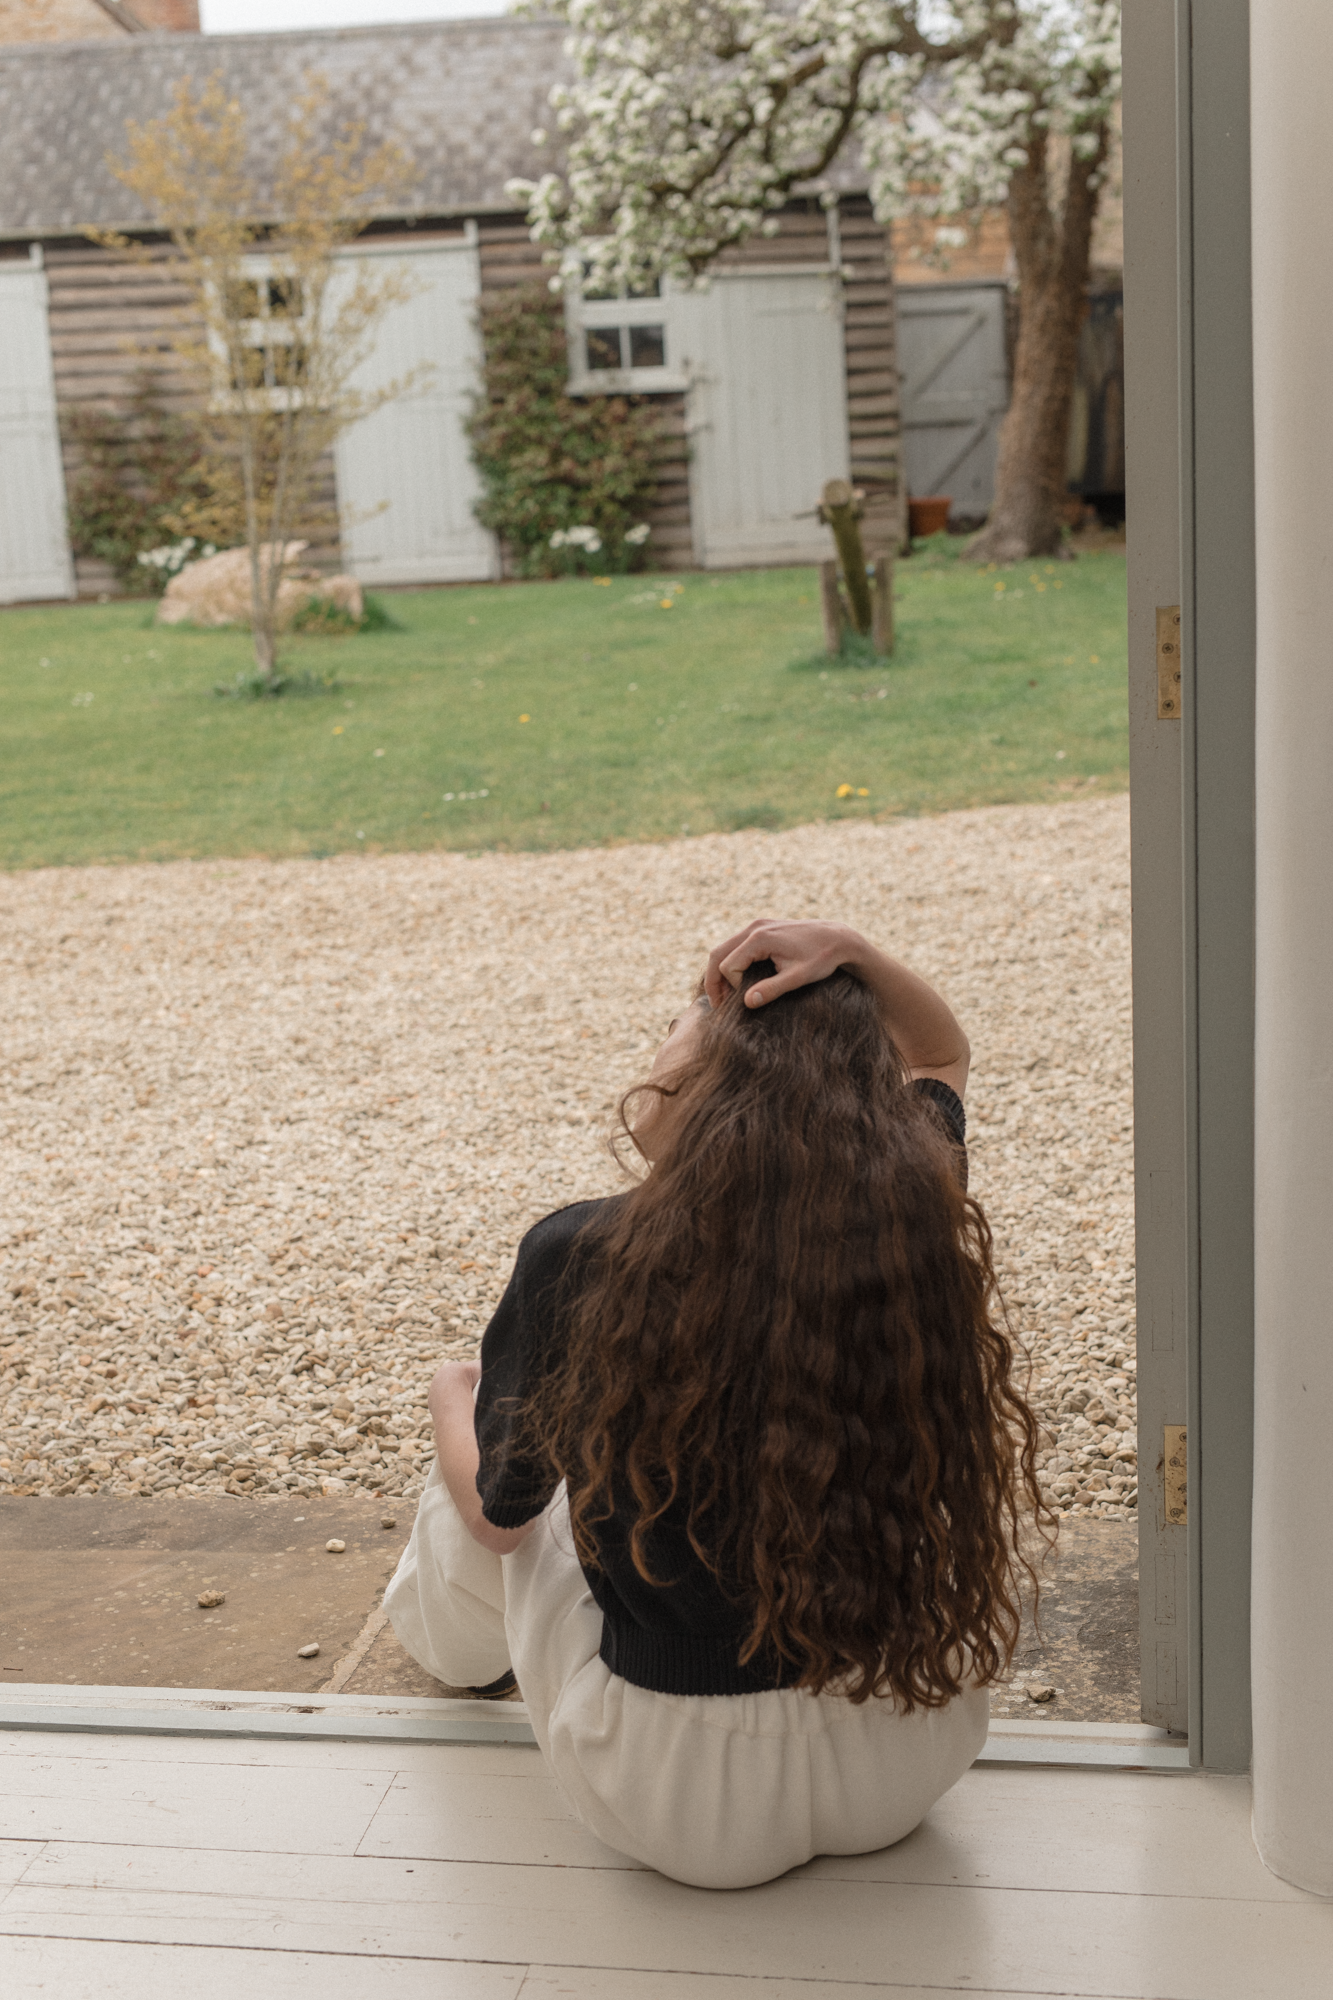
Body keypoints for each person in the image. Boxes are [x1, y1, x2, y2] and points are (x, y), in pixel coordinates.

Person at [384, 918, 1045, 1889]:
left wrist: (452, 1394)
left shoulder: (580, 1253)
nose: (651, 1059)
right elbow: (940, 1050)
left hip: (678, 1796)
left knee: (480, 1467)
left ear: (700, 1091)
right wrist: (850, 955)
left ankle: (450, 1653)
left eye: (671, 1034)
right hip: (907, 1745)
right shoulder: (909, 1208)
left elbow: (499, 1515)